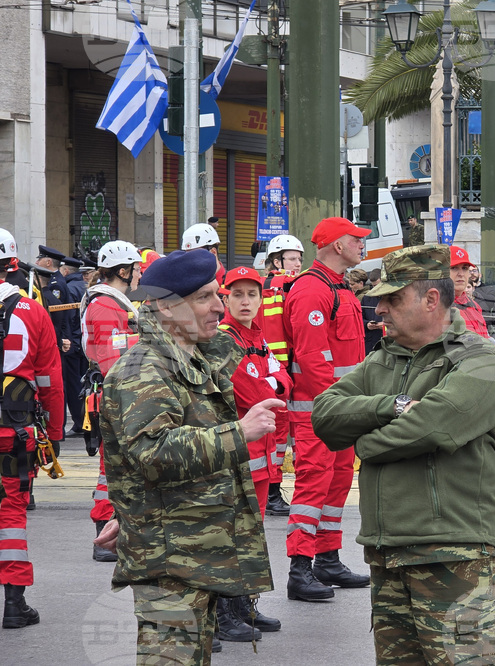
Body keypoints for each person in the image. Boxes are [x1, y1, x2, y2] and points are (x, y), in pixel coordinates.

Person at [311, 244, 495, 665]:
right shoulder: (382, 360)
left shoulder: (477, 359)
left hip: (454, 557)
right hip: (387, 557)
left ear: (431, 299)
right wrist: (390, 406)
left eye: (393, 298)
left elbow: (433, 426)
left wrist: (365, 443)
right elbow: (325, 416)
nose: (379, 308)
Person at [97, 249, 278, 662]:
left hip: (191, 551)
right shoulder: (145, 367)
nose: (219, 306)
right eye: (205, 297)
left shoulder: (188, 358)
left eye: (218, 295)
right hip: (171, 557)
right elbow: (152, 450)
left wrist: (132, 507)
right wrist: (240, 432)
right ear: (165, 305)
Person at [282, 217, 371, 601]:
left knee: (336, 483)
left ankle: (327, 558)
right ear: (337, 245)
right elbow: (313, 358)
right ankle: (299, 568)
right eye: (357, 239)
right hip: (319, 411)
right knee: (312, 486)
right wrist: (340, 405)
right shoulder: (311, 291)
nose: (362, 245)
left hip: (339, 409)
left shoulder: (338, 287)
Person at [217, 265, 289, 637]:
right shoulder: (226, 339)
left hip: (260, 455)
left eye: (252, 294)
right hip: (240, 454)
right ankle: (224, 612)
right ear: (225, 297)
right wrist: (273, 382)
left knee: (252, 532)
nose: (246, 301)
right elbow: (257, 393)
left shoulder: (257, 336)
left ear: (262, 298)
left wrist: (272, 382)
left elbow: (283, 380)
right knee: (235, 532)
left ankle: (244, 604)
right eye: (238, 294)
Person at [0, 228, 64, 629]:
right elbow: (49, 382)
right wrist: (54, 434)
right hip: (12, 430)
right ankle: (14, 602)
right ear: (11, 264)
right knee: (11, 514)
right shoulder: (32, 310)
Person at [80, 240, 143, 563]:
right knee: (111, 471)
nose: (138, 275)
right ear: (122, 270)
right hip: (115, 396)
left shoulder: (114, 303)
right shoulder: (105, 307)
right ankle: (103, 534)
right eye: (134, 269)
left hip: (120, 395)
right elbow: (111, 359)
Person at [258, 234, 304, 516]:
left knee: (272, 435)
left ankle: (271, 491)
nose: (298, 264)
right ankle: (274, 494)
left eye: (299, 259)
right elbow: (283, 333)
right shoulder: (285, 284)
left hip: (266, 369)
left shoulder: (261, 286)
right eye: (292, 258)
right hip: (282, 372)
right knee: (281, 434)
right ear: (277, 261)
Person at [60, 257, 88, 437]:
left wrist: (69, 341)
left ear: (67, 271)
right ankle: (85, 421)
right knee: (84, 383)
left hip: (73, 343)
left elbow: (69, 318)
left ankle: (79, 423)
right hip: (84, 342)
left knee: (72, 385)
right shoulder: (85, 286)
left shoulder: (69, 288)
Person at [450, 245, 490, 338]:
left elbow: (485, 338)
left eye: (464, 268)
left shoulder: (475, 305)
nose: (461, 274)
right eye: (454, 268)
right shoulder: (437, 307)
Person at [361, 269, 384, 355]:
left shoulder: (392, 297)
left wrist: (385, 325)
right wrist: (367, 325)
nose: (375, 288)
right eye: (373, 286)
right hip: (371, 344)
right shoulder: (367, 298)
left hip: (388, 342)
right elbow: (360, 318)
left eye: (377, 285)